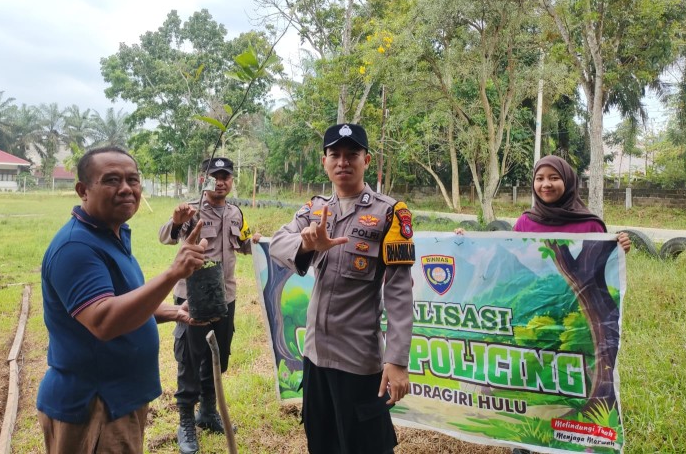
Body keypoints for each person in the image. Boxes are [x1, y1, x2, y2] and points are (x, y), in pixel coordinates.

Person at [37, 146, 208, 454]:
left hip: (119, 399)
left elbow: (124, 302)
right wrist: (173, 273)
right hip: (94, 406)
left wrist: (174, 311)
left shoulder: (110, 234)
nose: (127, 188)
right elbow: (104, 320)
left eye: (133, 179)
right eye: (112, 180)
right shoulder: (76, 247)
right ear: (82, 190)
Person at [270, 123, 416, 454]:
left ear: (367, 160)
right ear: (324, 162)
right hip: (315, 357)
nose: (343, 162)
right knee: (321, 442)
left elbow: (399, 294)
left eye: (352, 155)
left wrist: (397, 360)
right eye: (334, 155)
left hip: (358, 362)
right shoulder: (315, 210)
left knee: (365, 447)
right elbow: (278, 243)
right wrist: (308, 246)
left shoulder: (390, 213)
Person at [510, 154, 629, 454]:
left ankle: (579, 439)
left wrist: (619, 247)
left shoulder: (588, 224)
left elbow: (599, 272)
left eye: (553, 178)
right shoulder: (526, 221)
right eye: (540, 178)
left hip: (579, 318)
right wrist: (460, 242)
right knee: (535, 375)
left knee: (574, 375)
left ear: (568, 181)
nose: (546, 184)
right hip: (536, 314)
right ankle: (524, 443)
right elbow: (508, 258)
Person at [158, 156, 261, 454]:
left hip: (225, 296)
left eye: (225, 176)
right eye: (215, 176)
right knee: (190, 359)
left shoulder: (236, 213)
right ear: (205, 179)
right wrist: (177, 221)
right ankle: (186, 421)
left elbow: (243, 245)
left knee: (219, 357)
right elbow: (166, 236)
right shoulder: (191, 210)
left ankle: (207, 411)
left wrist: (256, 241)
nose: (221, 181)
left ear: (231, 180)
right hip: (193, 298)